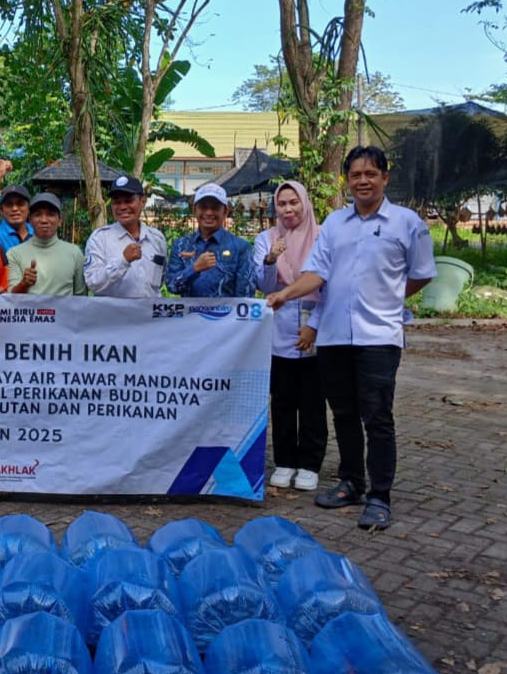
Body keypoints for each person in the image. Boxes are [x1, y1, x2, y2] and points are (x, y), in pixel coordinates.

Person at [267, 146, 436, 531]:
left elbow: (423, 273)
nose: (363, 180)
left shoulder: (406, 222)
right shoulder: (334, 224)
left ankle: (379, 496)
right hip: (334, 337)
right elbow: (316, 275)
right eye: (355, 174)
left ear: (384, 178)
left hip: (380, 336)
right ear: (347, 179)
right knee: (342, 413)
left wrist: (391, 298)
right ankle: (351, 482)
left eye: (370, 174)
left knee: (377, 417)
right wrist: (283, 294)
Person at [254, 181, 326, 491]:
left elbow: (331, 286)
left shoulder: (323, 237)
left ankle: (310, 463)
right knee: (282, 398)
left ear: (305, 203)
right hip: (278, 330)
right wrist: (271, 259)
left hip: (316, 327)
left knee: (312, 399)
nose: (288, 209)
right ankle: (284, 460)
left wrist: (315, 326)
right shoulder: (266, 239)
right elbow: (263, 285)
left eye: (293, 202)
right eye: (282, 204)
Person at [165, 182, 255, 298]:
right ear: (194, 210)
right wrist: (194, 269)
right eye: (203, 207)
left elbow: (245, 296)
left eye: (215, 207)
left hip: (226, 315)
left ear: (225, 211)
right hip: (190, 315)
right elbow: (172, 286)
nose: (208, 212)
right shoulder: (181, 245)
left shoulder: (241, 247)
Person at [83, 176, 166, 298]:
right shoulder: (99, 238)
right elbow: (92, 283)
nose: (122, 207)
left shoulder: (157, 238)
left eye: (128, 201)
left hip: (147, 315)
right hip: (113, 315)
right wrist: (123, 261)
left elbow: (161, 279)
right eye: (117, 202)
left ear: (142, 201)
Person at [7, 192, 86, 295]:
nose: (44, 220)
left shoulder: (75, 253)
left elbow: (81, 299)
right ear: (30, 220)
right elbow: (10, 299)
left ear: (60, 220)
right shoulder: (14, 254)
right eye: (38, 214)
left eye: (50, 214)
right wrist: (24, 284)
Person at [0, 158, 34, 251]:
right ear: (1, 210)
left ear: (29, 208)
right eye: (9, 205)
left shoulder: (37, 233)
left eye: (20, 204)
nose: (14, 208)